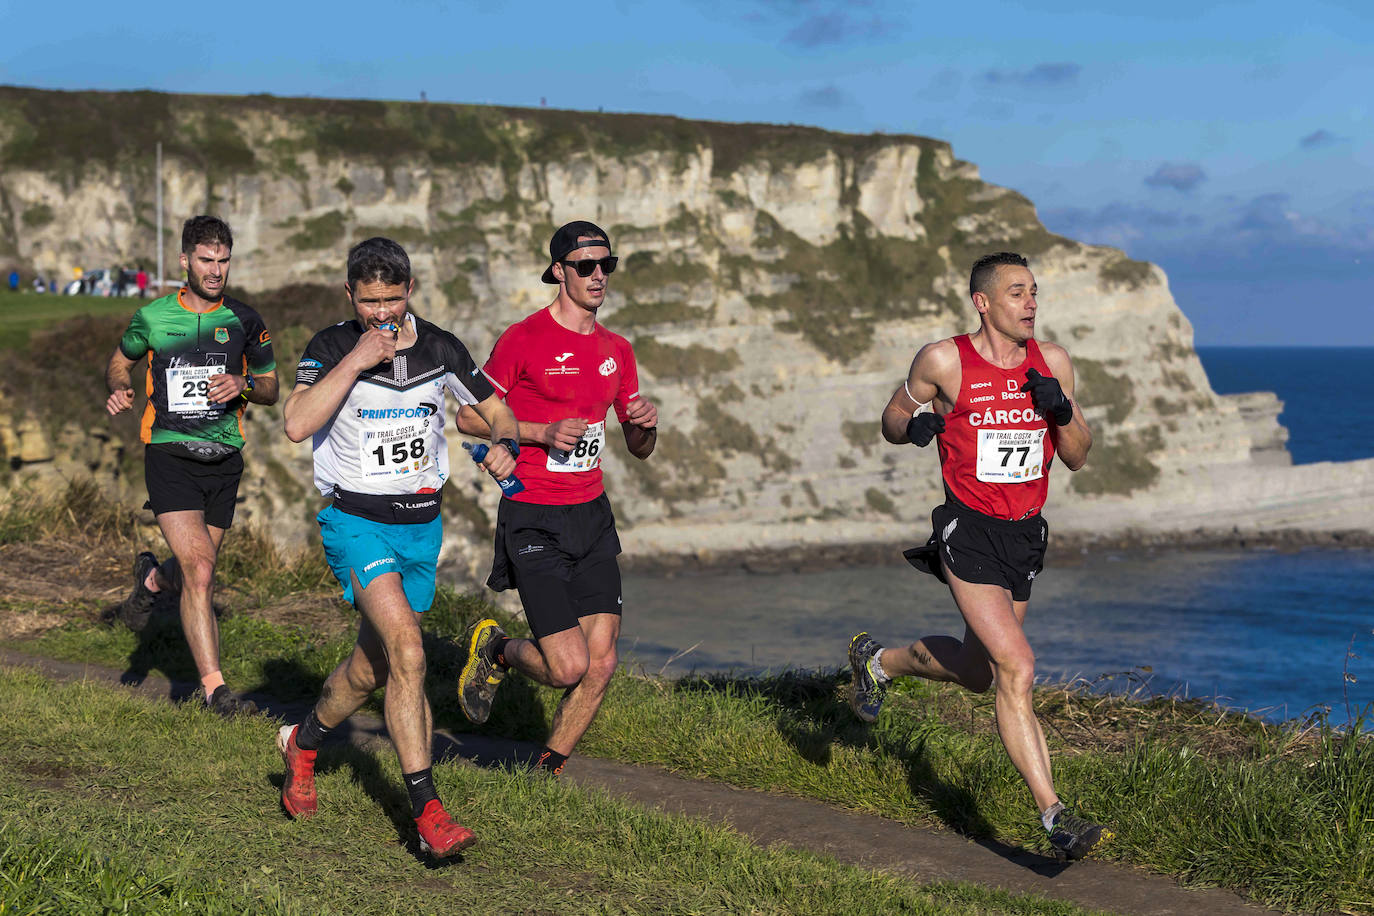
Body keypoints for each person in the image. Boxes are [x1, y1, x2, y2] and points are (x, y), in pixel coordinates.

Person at [847, 251, 1111, 861]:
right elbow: (892, 416)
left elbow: (1077, 455)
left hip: (1024, 535)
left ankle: (878, 662)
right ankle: (1055, 815)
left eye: (1036, 293)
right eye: (1018, 294)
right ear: (983, 302)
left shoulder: (1054, 364)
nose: (1032, 304)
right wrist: (911, 428)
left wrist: (1060, 409)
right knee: (1017, 666)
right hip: (967, 531)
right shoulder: (945, 360)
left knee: (979, 672)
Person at [276, 237, 520, 858]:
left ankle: (303, 743)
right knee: (409, 652)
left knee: (370, 670)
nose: (381, 314)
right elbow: (297, 422)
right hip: (354, 522)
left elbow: (499, 408)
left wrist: (506, 445)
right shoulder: (332, 347)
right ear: (350, 295)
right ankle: (428, 812)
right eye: (368, 302)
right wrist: (357, 358)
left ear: (409, 291)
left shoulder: (440, 346)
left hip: (421, 528)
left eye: (391, 300)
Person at [455, 221, 658, 777]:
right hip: (534, 514)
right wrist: (540, 433)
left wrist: (644, 425)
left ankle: (546, 771)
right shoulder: (524, 339)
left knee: (603, 662)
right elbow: (469, 416)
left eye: (606, 266)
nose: (598, 276)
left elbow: (639, 449)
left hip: (591, 514)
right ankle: (496, 651)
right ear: (559, 272)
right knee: (567, 666)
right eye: (585, 267)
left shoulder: (619, 350)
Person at [105, 215, 279, 715]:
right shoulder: (153, 317)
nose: (216, 270)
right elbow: (121, 359)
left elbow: (270, 387)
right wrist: (118, 385)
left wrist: (243, 385)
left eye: (224, 260)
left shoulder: (246, 321)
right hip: (169, 455)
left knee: (189, 574)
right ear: (185, 261)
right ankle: (215, 692)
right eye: (206, 260)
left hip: (224, 461)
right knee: (201, 571)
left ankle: (152, 582)